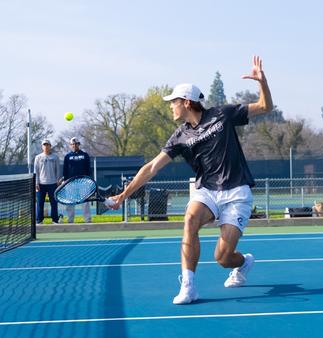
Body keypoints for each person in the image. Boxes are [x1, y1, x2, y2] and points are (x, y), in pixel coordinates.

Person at [107, 56, 273, 305]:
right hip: (207, 191)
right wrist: (123, 195)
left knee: (223, 258)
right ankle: (188, 286)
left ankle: (244, 262)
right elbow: (151, 167)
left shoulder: (223, 114)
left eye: (173, 102)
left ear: (186, 102)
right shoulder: (179, 136)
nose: (170, 107)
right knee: (190, 219)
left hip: (237, 192)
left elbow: (265, 106)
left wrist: (262, 82)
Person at [62, 137, 93, 223]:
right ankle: (70, 220)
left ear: (79, 144)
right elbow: (65, 170)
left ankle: (88, 220)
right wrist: (65, 180)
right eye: (72, 144)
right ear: (70, 145)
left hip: (83, 182)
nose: (74, 145)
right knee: (70, 202)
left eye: (76, 144)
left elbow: (88, 169)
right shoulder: (67, 156)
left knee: (85, 202)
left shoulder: (85, 155)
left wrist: (88, 180)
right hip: (70, 183)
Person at [34, 139, 62, 224]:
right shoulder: (38, 157)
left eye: (47, 145)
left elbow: (58, 170)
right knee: (40, 203)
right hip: (41, 184)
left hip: (53, 184)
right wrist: (36, 183)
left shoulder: (55, 157)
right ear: (42, 147)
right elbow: (36, 171)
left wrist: (58, 181)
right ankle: (39, 220)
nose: (46, 146)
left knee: (54, 203)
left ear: (50, 146)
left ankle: (55, 220)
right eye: (44, 145)